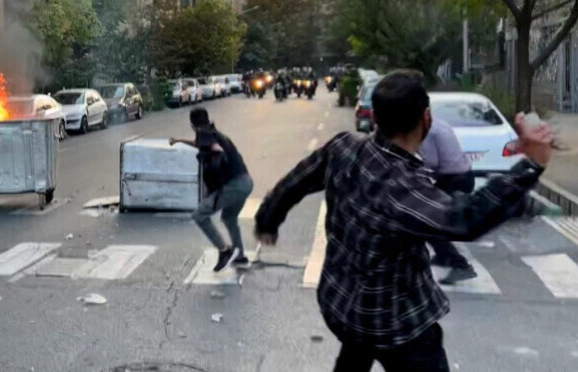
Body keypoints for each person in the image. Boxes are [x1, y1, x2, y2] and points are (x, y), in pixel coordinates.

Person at [254, 70, 553, 371]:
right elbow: (464, 218)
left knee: (355, 348)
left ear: (375, 117)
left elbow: (297, 180)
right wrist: (530, 166)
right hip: (398, 324)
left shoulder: (342, 148)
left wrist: (268, 219)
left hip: (340, 305)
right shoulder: (403, 186)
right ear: (427, 119)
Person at [170, 107, 253, 272]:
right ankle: (240, 256)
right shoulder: (213, 133)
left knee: (199, 215)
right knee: (229, 218)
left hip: (233, 186)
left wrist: (218, 154)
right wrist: (179, 140)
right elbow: (201, 145)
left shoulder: (205, 135)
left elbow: (213, 148)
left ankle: (224, 250)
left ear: (193, 126)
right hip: (246, 183)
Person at [419, 117, 478, 284]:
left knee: (429, 222)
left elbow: (432, 162)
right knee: (430, 218)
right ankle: (443, 256)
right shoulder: (439, 123)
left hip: (454, 180)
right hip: (463, 176)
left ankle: (460, 265)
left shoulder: (427, 130)